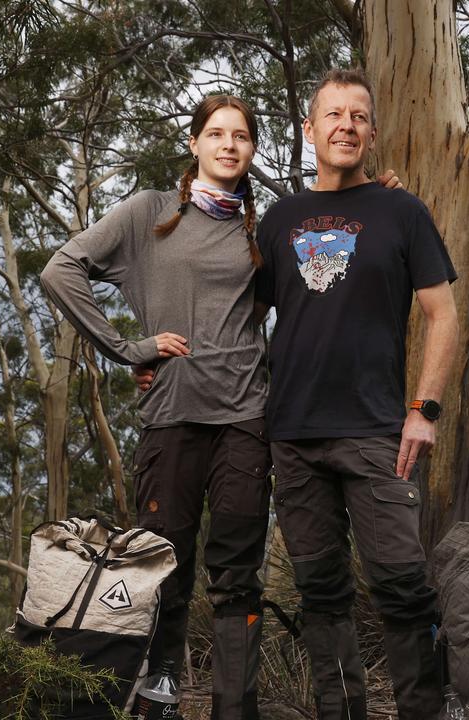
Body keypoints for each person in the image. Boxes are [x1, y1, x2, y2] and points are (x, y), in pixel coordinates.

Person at [40, 95, 272, 720]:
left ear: (252, 150)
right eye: (216, 134)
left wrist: (374, 193)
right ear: (193, 143)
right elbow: (61, 270)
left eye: (242, 136)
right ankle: (158, 700)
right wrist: (125, 348)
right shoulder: (149, 212)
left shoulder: (262, 228)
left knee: (237, 574)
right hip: (171, 417)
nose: (229, 145)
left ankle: (235, 708)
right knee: (163, 568)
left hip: (246, 420)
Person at [252, 68, 460, 720]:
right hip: (292, 434)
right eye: (333, 115)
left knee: (403, 588)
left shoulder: (402, 212)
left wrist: (424, 410)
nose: (346, 125)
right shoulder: (279, 220)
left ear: (372, 133)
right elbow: (241, 315)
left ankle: (427, 710)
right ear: (309, 130)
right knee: (320, 593)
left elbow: (445, 315)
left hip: (376, 434)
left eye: (359, 117)